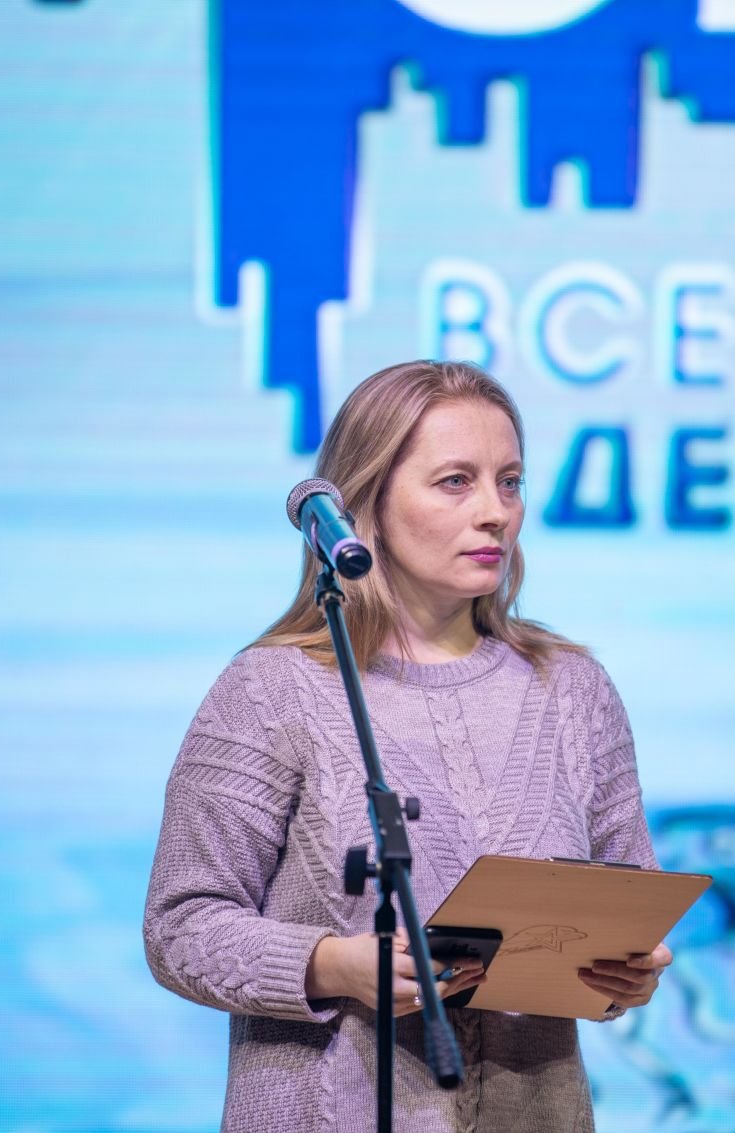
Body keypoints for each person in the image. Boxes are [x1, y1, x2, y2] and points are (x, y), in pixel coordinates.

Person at [143, 360, 669, 1132]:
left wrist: (627, 975)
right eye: (456, 482)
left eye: (510, 482)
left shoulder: (573, 688)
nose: (495, 512)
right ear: (368, 503)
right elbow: (179, 927)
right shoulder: (271, 688)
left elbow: (629, 900)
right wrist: (330, 963)